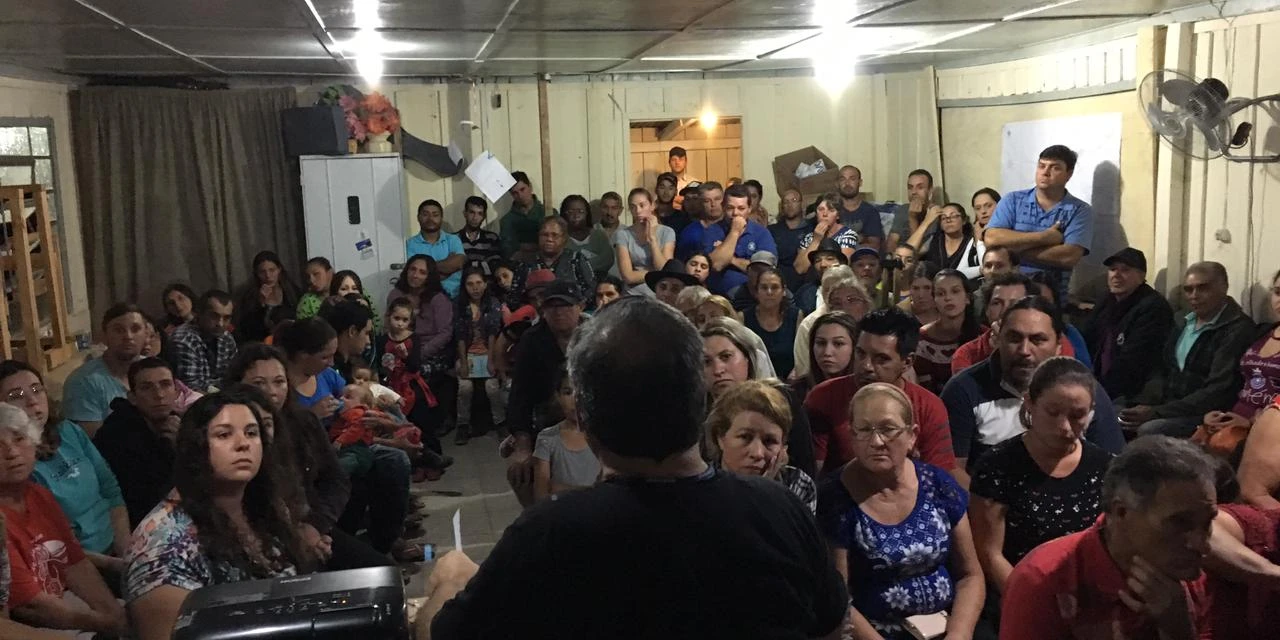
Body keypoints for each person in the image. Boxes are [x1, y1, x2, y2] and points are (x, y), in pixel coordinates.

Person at [421, 298, 848, 639]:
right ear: (698, 401)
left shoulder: (550, 533)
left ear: (585, 417)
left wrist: (448, 584)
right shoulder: (779, 508)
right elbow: (830, 626)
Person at [125, 392, 316, 640]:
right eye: (224, 435)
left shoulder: (266, 507)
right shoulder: (164, 544)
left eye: (251, 433)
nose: (243, 444)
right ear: (196, 447)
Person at [999, 436, 1218, 640]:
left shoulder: (1188, 573)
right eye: (1180, 524)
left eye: (1208, 522)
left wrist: (1178, 629)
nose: (1203, 545)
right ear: (1122, 512)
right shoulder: (1044, 580)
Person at [817, 383, 984, 639]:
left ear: (912, 435)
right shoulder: (834, 499)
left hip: (946, 626)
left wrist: (959, 634)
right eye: (864, 430)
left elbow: (970, 575)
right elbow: (839, 598)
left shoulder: (938, 485)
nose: (876, 441)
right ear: (852, 435)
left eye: (887, 429)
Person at [969, 357, 1115, 633]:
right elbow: (989, 553)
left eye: (1077, 415)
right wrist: (1036, 603)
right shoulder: (998, 466)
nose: (1065, 426)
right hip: (1017, 592)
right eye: (1053, 412)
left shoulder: (1106, 467)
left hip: (1088, 598)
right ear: (1030, 404)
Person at [224, 344, 399, 567]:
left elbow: (335, 479)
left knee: (381, 571)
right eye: (258, 383)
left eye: (279, 382)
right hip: (259, 537)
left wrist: (314, 527)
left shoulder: (304, 422)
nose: (271, 392)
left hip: (309, 524)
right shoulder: (231, 437)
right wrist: (293, 537)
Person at [941, 297, 1126, 488]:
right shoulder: (964, 390)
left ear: (1059, 345)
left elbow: (1114, 467)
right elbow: (951, 469)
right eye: (1014, 338)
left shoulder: (1084, 391)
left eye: (1038, 340)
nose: (1024, 350)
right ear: (998, 340)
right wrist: (985, 502)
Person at [0, 404, 128, 637]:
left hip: (65, 605)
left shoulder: (39, 495)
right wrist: (105, 623)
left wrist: (113, 614)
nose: (12, 453)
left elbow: (75, 563)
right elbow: (30, 606)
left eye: (19, 439)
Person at [1, 359, 131, 566]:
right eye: (16, 396)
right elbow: (48, 543)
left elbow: (111, 491)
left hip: (119, 542)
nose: (32, 401)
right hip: (79, 563)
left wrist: (126, 550)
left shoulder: (69, 430)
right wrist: (112, 565)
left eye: (36, 390)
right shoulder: (14, 464)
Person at [805, 308, 958, 475]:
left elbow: (938, 478)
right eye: (861, 354)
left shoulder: (928, 407)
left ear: (907, 362)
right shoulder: (823, 398)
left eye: (881, 359)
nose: (866, 366)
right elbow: (810, 473)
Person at [1120, 262, 1256, 438]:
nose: (1194, 296)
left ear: (1224, 287)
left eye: (1203, 288)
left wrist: (1157, 412)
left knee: (1150, 428)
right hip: (1168, 405)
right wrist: (1145, 403)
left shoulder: (1237, 329)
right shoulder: (1182, 320)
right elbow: (1162, 368)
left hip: (1206, 413)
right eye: (1188, 290)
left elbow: (1218, 390)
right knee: (1114, 411)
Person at [504, 281, 586, 506]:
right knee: (520, 472)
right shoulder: (532, 339)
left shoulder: (595, 335)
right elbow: (520, 394)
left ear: (580, 306)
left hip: (591, 420)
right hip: (546, 420)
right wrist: (522, 443)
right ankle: (537, 517)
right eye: (552, 306)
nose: (558, 312)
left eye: (565, 305)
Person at [701, 317, 816, 476]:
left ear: (747, 358)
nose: (718, 370)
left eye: (726, 357)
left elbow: (806, 468)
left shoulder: (782, 401)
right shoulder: (696, 412)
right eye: (706, 362)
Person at [984, 145, 1093, 303]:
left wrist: (1012, 251)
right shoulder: (1012, 200)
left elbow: (1068, 256)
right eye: (1041, 166)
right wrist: (1045, 237)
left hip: (1050, 300)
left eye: (1055, 168)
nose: (1045, 172)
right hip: (1007, 297)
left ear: (1069, 174)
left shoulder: (1080, 210)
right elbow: (991, 239)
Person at [1080, 248, 1175, 404]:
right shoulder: (1107, 300)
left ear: (1141, 276)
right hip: (1096, 384)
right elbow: (1086, 337)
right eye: (1112, 269)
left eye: (1125, 270)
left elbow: (1133, 363)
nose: (1116, 275)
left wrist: (1097, 395)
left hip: (1134, 393)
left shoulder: (1153, 307)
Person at [95, 357, 180, 528]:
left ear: (177, 392)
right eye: (147, 388)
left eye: (165, 385)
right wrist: (179, 447)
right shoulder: (117, 434)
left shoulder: (175, 421)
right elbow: (150, 496)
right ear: (132, 398)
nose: (159, 395)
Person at [708, 379, 816, 512]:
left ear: (783, 447)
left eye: (769, 441)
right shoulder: (700, 488)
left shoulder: (798, 484)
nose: (757, 453)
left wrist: (766, 493)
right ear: (720, 438)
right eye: (745, 437)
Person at [950, 272, 1080, 373]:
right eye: (997, 303)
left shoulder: (1054, 343)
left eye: (1016, 303)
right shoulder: (966, 355)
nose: (1005, 311)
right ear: (987, 310)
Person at [388, 254, 457, 430]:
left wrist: (420, 353)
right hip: (402, 348)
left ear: (429, 276)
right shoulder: (395, 295)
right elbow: (390, 325)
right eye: (412, 269)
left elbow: (445, 333)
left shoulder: (438, 299)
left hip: (432, 351)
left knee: (417, 375)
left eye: (422, 272)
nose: (415, 275)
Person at [62, 302, 147, 436]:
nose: (128, 336)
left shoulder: (156, 370)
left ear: (146, 334)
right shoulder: (83, 382)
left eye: (135, 329)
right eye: (119, 330)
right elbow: (95, 440)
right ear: (104, 335)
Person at [532, 366, 601, 502]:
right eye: (568, 392)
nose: (575, 400)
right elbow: (541, 494)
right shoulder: (547, 438)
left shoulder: (603, 435)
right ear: (558, 396)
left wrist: (561, 489)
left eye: (582, 392)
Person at [792, 266, 873, 380]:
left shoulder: (876, 334)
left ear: (866, 304)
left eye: (852, 300)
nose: (844, 306)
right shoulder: (813, 326)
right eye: (837, 302)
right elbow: (805, 370)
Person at [455, 268, 506, 445]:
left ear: (485, 284)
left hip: (489, 352)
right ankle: (462, 425)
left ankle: (500, 423)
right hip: (467, 353)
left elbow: (493, 333)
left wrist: (491, 360)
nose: (475, 288)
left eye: (478, 283)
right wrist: (463, 362)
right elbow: (460, 336)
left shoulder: (493, 303)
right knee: (465, 387)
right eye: (470, 284)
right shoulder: (460, 305)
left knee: (492, 387)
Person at [914, 269, 980, 394]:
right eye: (940, 294)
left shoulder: (982, 336)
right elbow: (923, 389)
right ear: (934, 300)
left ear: (967, 298)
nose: (948, 298)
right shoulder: (923, 338)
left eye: (955, 291)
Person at [707, 184, 779, 297]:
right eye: (730, 208)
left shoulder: (761, 233)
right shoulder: (712, 231)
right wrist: (735, 232)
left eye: (741, 208)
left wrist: (730, 258)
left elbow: (764, 271)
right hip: (718, 296)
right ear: (723, 207)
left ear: (749, 209)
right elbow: (716, 265)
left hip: (753, 296)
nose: (735, 213)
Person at [515, 216, 596, 307]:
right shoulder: (527, 262)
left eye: (555, 235)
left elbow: (591, 292)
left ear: (564, 238)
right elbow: (515, 297)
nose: (549, 239)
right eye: (545, 235)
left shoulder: (576, 259)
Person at [169, 289, 237, 393]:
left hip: (221, 395)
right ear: (199, 313)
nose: (220, 324)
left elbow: (235, 376)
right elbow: (190, 387)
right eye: (214, 316)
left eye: (226, 318)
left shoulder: (226, 338)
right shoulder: (183, 340)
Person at [615, 188, 676, 297]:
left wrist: (652, 239)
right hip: (632, 294)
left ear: (652, 205)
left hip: (658, 294)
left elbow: (664, 269)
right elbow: (628, 276)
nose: (638, 211)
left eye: (642, 205)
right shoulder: (623, 234)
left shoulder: (667, 232)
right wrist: (655, 274)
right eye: (633, 207)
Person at [742, 267, 800, 379]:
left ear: (784, 291)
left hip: (791, 382)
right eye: (764, 287)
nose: (769, 292)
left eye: (774, 287)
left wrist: (796, 371)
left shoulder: (796, 316)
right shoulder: (743, 318)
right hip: (756, 382)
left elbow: (801, 354)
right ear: (756, 292)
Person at [233, 250, 301, 343]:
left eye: (272, 270)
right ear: (256, 274)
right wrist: (261, 303)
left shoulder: (292, 291)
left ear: (279, 269)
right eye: (262, 272)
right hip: (262, 344)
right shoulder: (249, 295)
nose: (268, 276)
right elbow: (248, 330)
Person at [790, 311, 858, 402]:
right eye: (821, 343)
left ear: (855, 347)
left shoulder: (867, 391)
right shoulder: (794, 392)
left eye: (838, 343)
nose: (827, 352)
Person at [407, 199, 466, 299]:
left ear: (441, 218)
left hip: (455, 297)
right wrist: (448, 267)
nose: (430, 219)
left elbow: (458, 263)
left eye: (435, 215)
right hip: (423, 299)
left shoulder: (453, 239)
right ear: (418, 217)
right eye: (425, 214)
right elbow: (414, 276)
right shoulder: (410, 244)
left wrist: (424, 270)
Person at [794, 192, 858, 277]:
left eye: (831, 210)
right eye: (821, 209)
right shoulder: (809, 238)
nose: (825, 214)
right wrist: (816, 240)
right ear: (816, 213)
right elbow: (799, 269)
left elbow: (842, 267)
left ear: (838, 215)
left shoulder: (848, 235)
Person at [918, 202, 984, 280]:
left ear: (964, 220)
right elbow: (912, 253)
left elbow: (985, 267)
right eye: (943, 218)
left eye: (953, 216)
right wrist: (925, 222)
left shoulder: (972, 242)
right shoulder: (933, 239)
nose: (948, 220)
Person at [769, 187, 815, 292]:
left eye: (794, 200)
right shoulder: (772, 230)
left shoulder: (812, 228)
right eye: (786, 202)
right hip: (780, 283)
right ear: (782, 206)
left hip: (806, 283)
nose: (790, 205)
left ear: (802, 204)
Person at [499, 171, 549, 260]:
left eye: (522, 189)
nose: (520, 195)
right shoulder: (507, 220)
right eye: (515, 193)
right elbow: (509, 252)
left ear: (530, 186)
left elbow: (558, 244)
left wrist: (521, 246)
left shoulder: (548, 212)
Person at [561, 194, 615, 277]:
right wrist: (593, 262)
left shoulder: (598, 235)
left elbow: (607, 260)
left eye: (581, 211)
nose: (576, 216)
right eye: (571, 212)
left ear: (587, 213)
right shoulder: (560, 239)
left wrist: (578, 266)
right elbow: (562, 266)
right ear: (563, 214)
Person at [834, 164, 885, 249]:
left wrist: (846, 247)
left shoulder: (870, 211)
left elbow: (874, 245)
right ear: (837, 184)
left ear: (860, 182)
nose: (847, 183)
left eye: (852, 179)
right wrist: (860, 239)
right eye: (842, 179)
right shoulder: (830, 209)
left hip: (860, 255)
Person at [795, 238, 848, 317]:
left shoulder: (853, 290)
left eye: (829, 259)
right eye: (817, 260)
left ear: (841, 263)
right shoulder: (804, 293)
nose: (823, 264)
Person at [675, 181, 724, 261]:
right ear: (701, 203)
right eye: (707, 201)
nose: (713, 204)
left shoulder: (735, 226)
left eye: (717, 199)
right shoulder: (690, 233)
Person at [887, 168, 935, 250]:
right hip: (898, 254)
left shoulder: (934, 214)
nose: (914, 192)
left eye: (920, 187)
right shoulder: (903, 209)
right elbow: (892, 241)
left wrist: (913, 218)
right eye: (910, 188)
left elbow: (916, 251)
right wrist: (892, 256)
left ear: (930, 191)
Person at [458, 195, 502, 276]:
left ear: (484, 216)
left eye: (480, 213)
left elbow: (495, 265)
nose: (475, 218)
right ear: (465, 213)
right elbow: (455, 267)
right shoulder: (454, 239)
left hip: (487, 282)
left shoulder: (492, 238)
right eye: (472, 212)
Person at [899, 260, 940, 325]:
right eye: (916, 288)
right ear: (909, 288)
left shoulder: (947, 312)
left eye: (927, 288)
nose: (921, 295)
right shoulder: (898, 315)